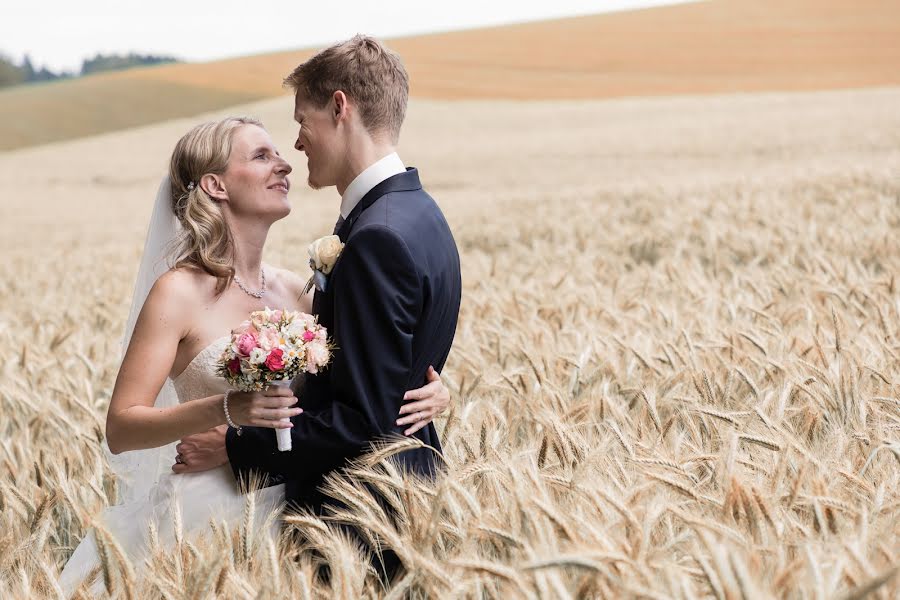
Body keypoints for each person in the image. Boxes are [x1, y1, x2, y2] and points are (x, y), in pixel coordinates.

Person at [58, 116, 452, 595]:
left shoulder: (298, 290)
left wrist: (430, 387)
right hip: (206, 519)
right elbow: (121, 427)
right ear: (215, 185)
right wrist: (226, 410)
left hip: (301, 510)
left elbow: (361, 381)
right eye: (261, 156)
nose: (285, 163)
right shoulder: (178, 293)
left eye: (278, 154)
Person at [192, 35, 463, 581]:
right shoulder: (419, 213)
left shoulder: (376, 237)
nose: (296, 144)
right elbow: (394, 368)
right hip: (403, 498)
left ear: (340, 107)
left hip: (359, 524)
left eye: (302, 121)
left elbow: (362, 420)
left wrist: (236, 448)